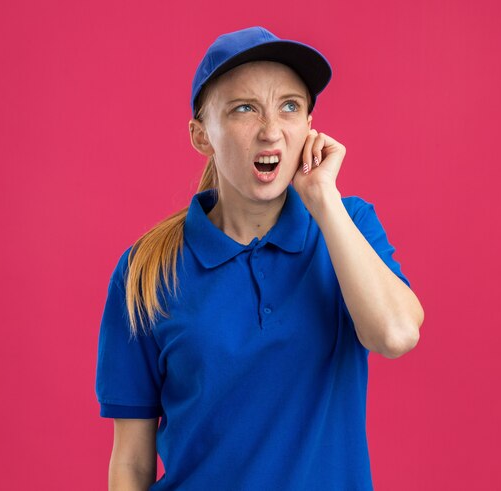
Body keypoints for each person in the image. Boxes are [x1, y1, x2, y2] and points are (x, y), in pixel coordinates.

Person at [95, 26, 424, 491]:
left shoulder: (348, 225)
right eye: (243, 109)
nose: (271, 131)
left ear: (311, 127)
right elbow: (130, 462)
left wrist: (323, 200)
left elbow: (395, 334)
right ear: (200, 135)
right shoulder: (145, 270)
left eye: (290, 106)